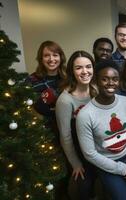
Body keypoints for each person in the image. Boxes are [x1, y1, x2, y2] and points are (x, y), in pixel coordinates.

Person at [76, 59, 126, 200]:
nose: (111, 83)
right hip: (107, 162)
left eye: (115, 79)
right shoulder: (85, 115)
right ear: (96, 81)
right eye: (105, 79)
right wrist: (123, 170)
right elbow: (89, 154)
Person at [26, 40, 68, 199]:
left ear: (61, 57)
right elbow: (26, 109)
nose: (51, 59)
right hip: (44, 134)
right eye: (46, 55)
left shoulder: (68, 78)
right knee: (49, 172)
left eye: (55, 55)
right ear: (41, 58)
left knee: (68, 170)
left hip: (65, 131)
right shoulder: (31, 81)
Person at [55, 51, 97, 199]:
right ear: (72, 71)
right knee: (83, 189)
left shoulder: (96, 90)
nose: (85, 71)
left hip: (98, 150)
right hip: (79, 153)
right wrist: (76, 163)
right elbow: (65, 136)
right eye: (79, 68)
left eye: (88, 66)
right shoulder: (65, 100)